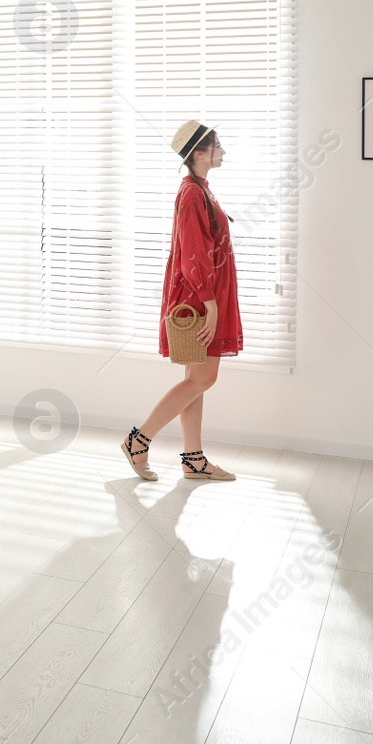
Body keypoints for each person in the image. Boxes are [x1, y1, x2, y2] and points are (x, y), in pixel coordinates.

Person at [122, 120, 240, 482]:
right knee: (203, 378)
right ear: (199, 153)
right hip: (200, 297)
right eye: (217, 146)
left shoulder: (200, 188)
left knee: (195, 377)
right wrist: (210, 302)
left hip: (206, 294)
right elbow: (192, 253)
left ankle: (193, 459)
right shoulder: (191, 193)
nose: (223, 151)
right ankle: (139, 441)